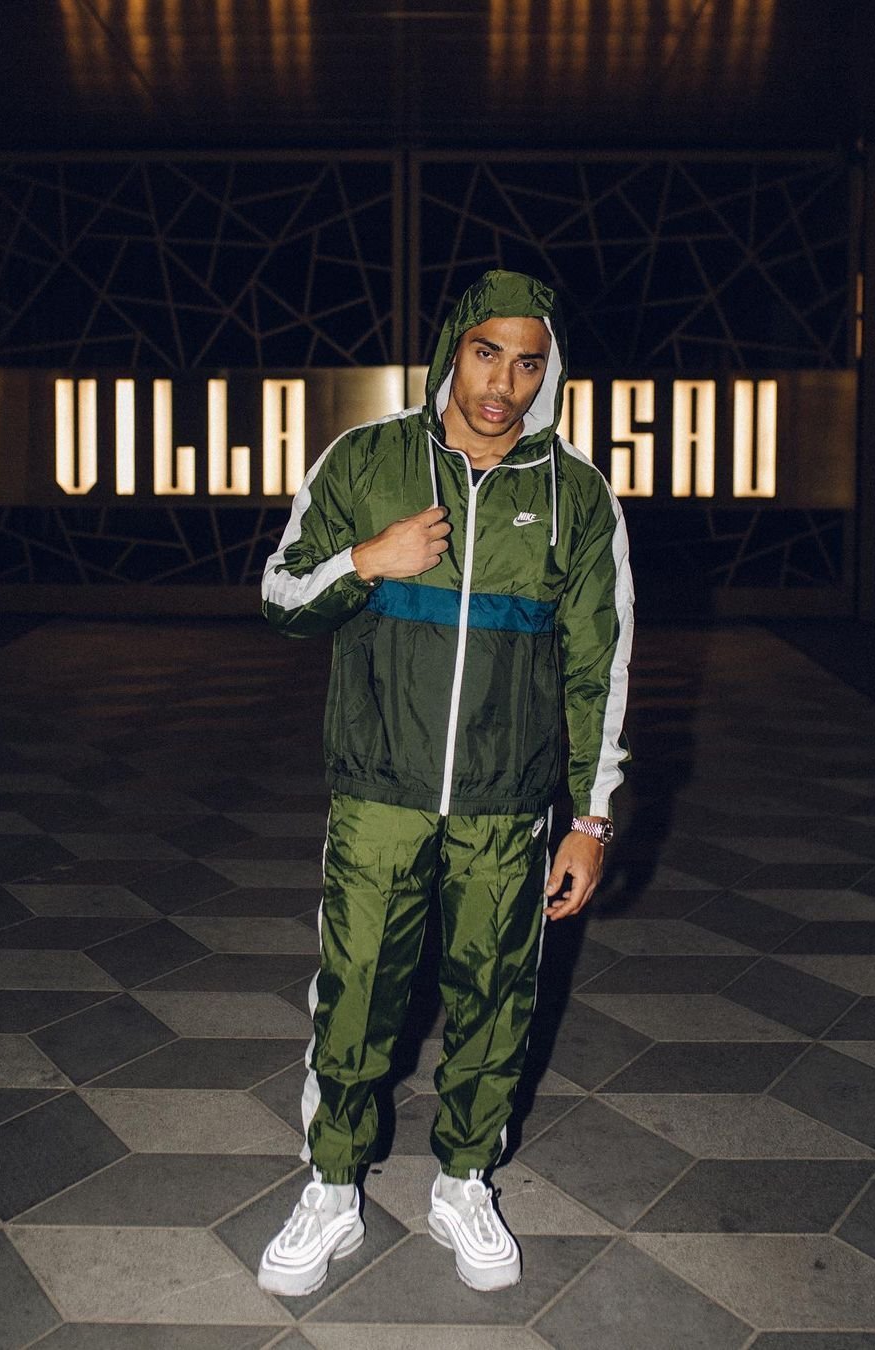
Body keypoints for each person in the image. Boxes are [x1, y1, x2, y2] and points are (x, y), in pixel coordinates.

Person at [258, 269, 633, 1295]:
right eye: (486, 353)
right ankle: (333, 1185)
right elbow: (281, 596)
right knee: (355, 992)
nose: (503, 384)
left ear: (550, 370)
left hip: (507, 806)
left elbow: (600, 665)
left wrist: (592, 817)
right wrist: (365, 560)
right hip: (380, 789)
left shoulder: (576, 497)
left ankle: (465, 1180)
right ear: (451, 350)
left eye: (528, 362)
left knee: (497, 998)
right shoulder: (367, 459)